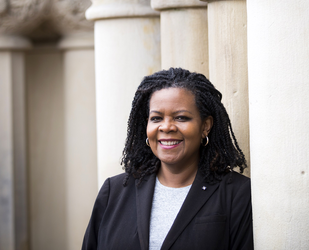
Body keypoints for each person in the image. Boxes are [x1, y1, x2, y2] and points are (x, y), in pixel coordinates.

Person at [82, 67, 253, 250]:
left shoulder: (237, 194)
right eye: (156, 118)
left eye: (181, 117)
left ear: (205, 126)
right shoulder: (114, 192)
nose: (166, 127)